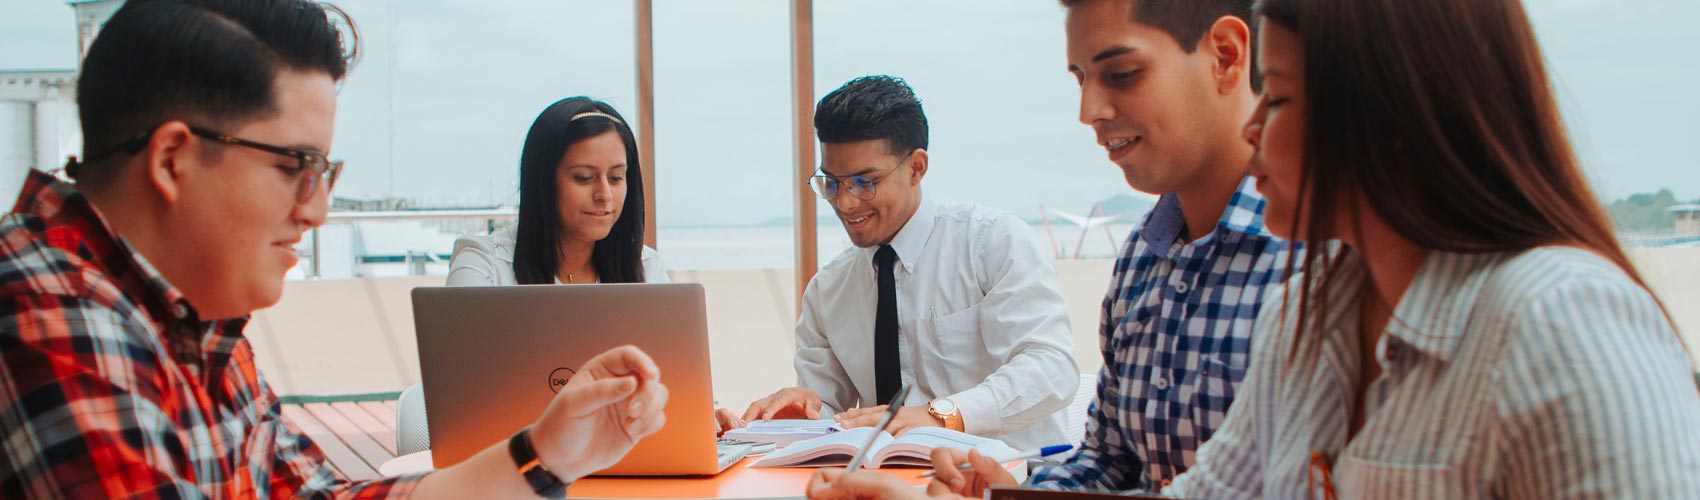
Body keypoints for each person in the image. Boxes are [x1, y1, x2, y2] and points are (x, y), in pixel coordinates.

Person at [811, 0, 1700, 498]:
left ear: (1396, 110)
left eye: (1276, 99)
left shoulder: (1566, 320)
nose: (1257, 132)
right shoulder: (1312, 316)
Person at [0, 1, 667, 498]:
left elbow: (316, 494)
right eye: (297, 166)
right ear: (173, 158)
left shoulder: (188, 325)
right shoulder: (46, 312)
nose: (316, 211)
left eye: (324, 173)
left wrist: (545, 454)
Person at [812, 0, 1298, 496]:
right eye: (1079, 79)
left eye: (1123, 73)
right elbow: (1108, 464)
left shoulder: (1312, 262)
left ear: (1227, 55)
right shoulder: (1142, 261)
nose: (1088, 113)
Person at [741, 76, 1079, 451]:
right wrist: (799, 411)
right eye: (832, 183)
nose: (845, 202)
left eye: (863, 182)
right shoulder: (829, 288)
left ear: (916, 168)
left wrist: (938, 415)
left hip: (1008, 478)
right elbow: (830, 412)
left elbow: (1051, 370)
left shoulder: (992, 242)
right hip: (891, 483)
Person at [447, 97, 668, 286]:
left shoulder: (647, 268)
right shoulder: (483, 265)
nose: (605, 194)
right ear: (543, 182)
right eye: (584, 177)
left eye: (616, 178)